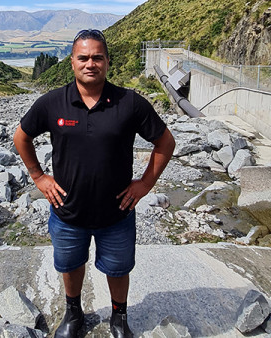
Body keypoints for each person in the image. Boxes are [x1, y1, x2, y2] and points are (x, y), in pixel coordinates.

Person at [13, 29, 175, 338]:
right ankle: (74, 315)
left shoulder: (130, 103)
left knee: (118, 269)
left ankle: (119, 317)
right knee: (70, 266)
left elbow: (165, 143)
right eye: (83, 57)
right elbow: (21, 137)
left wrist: (144, 184)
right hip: (67, 213)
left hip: (117, 214)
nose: (91, 63)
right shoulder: (52, 103)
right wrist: (38, 176)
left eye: (97, 57)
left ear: (107, 62)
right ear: (72, 62)